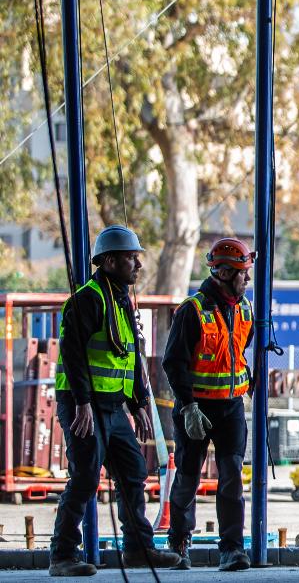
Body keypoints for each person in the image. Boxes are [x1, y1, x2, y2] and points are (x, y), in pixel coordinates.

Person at [49, 226, 182, 577]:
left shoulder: (120, 300)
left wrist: (138, 402)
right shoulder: (88, 299)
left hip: (112, 407)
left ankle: (139, 550)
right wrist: (81, 403)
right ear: (109, 261)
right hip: (84, 406)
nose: (137, 265)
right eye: (129, 258)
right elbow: (74, 354)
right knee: (85, 477)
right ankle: (62, 555)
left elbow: (129, 357)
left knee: (132, 471)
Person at [161, 238, 257, 571]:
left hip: (230, 408)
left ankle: (232, 549)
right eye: (242, 274)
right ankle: (179, 543)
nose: (247, 280)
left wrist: (250, 379)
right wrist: (187, 407)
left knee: (231, 477)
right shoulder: (193, 310)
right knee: (188, 477)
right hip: (197, 408)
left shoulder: (245, 308)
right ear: (224, 272)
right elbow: (173, 362)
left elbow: (239, 352)